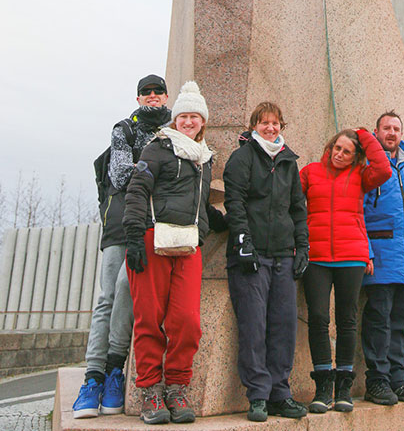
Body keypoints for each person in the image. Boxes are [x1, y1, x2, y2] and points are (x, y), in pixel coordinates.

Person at [123, 81, 226, 424]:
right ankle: (151, 391)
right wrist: (135, 236)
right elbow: (137, 190)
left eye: (195, 116)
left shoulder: (204, 157)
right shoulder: (157, 147)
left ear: (203, 121)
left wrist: (215, 222)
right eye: (183, 115)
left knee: (187, 322)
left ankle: (177, 387)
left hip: (188, 243)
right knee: (149, 320)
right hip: (153, 240)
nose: (189, 121)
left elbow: (197, 200)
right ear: (175, 118)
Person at [72, 74, 172, 419]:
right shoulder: (125, 129)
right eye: (146, 92)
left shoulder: (174, 129)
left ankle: (115, 369)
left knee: (129, 292)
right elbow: (119, 174)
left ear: (166, 95)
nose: (153, 97)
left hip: (153, 220)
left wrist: (146, 169)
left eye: (158, 91)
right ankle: (93, 376)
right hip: (119, 220)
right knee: (108, 297)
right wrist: (157, 172)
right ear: (138, 98)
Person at [223, 102, 309, 422]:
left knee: (283, 327)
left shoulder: (287, 161)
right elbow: (235, 202)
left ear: (281, 127)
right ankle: (258, 395)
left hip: (283, 255)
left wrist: (302, 247)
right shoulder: (242, 158)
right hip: (252, 256)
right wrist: (243, 239)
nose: (270, 128)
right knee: (254, 327)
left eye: (275, 123)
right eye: (264, 123)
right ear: (254, 125)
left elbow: (297, 208)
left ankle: (279, 392)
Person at [299, 127, 391, 413]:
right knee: (317, 318)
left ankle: (344, 387)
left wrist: (364, 134)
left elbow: (384, 169)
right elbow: (291, 205)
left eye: (347, 151)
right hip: (316, 256)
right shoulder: (310, 172)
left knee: (347, 320)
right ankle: (323, 384)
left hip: (351, 256)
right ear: (330, 147)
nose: (340, 154)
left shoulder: (361, 176)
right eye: (337, 148)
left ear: (355, 157)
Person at [361, 111, 404, 405]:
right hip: (380, 256)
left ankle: (398, 380)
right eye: (386, 128)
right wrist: (366, 252)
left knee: (400, 321)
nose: (391, 132)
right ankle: (377, 381)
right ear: (376, 132)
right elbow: (358, 212)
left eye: (396, 128)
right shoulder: (368, 165)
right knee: (379, 321)